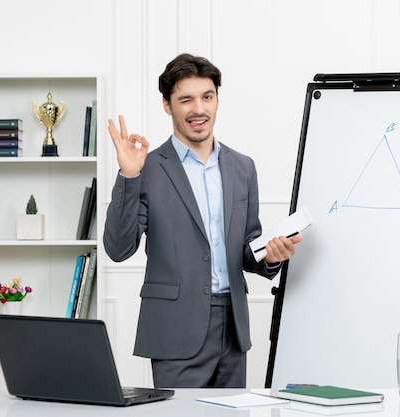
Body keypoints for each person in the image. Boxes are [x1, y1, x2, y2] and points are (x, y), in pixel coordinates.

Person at [103, 53, 302, 389]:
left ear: (217, 101)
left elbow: (244, 248)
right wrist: (128, 174)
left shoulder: (242, 167)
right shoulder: (147, 169)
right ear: (167, 105)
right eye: (186, 99)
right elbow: (119, 249)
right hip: (175, 329)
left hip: (232, 329)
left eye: (207, 97)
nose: (199, 109)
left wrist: (269, 257)